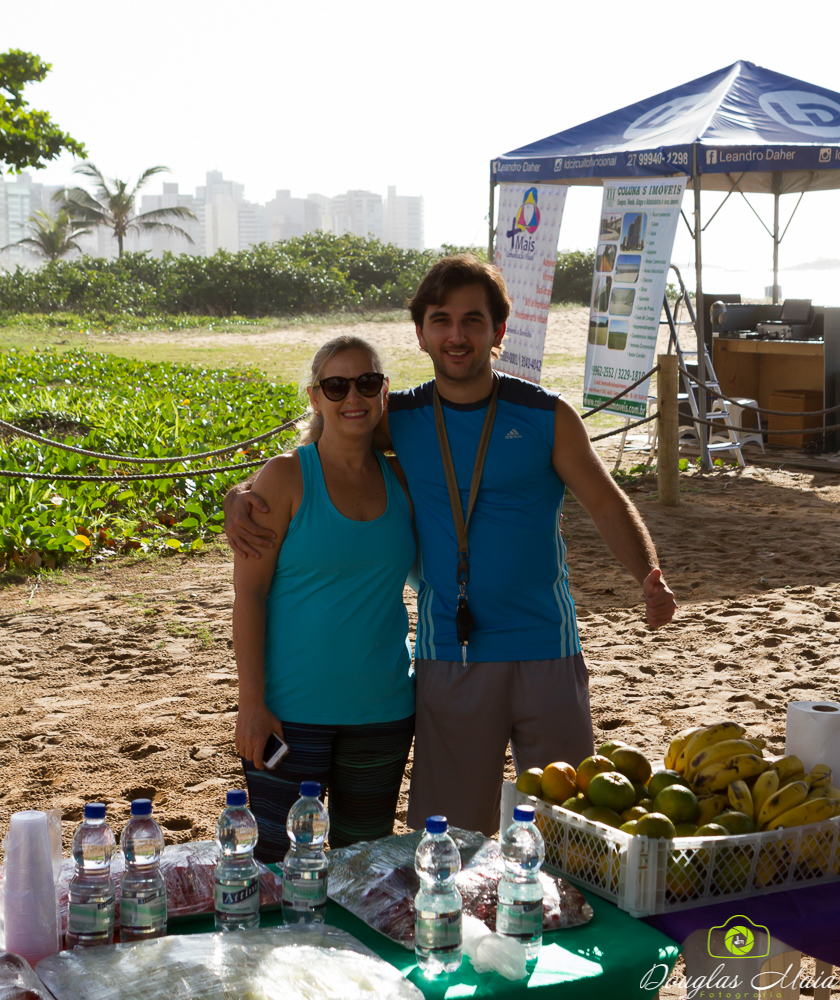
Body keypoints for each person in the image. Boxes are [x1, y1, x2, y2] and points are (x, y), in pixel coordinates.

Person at [226, 255, 676, 837]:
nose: (456, 335)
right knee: (450, 839)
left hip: (548, 648)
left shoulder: (547, 415)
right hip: (451, 655)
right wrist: (242, 494)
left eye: (472, 320)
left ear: (498, 330)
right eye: (441, 320)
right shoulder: (401, 417)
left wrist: (648, 574)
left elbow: (607, 504)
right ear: (421, 334)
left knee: (568, 832)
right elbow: (330, 439)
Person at [232, 334, 416, 861]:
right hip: (289, 714)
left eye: (367, 382)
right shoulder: (286, 475)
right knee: (279, 866)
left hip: (383, 711)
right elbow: (249, 595)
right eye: (336, 385)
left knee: (364, 868)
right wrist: (251, 702)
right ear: (315, 397)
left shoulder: (403, 477)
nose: (352, 397)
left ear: (384, 392)